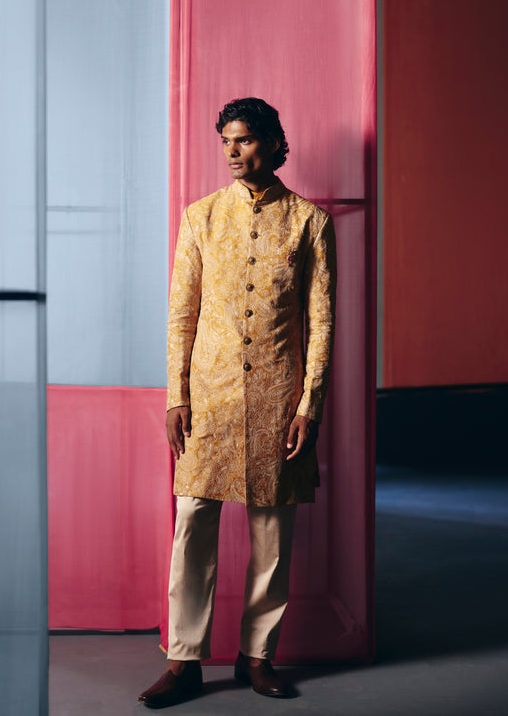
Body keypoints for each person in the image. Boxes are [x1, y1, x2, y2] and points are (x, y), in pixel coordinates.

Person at [138, 97, 336, 708]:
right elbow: (181, 314)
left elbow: (321, 321)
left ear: (274, 143)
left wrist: (309, 406)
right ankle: (183, 660)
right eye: (225, 140)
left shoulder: (309, 223)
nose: (232, 151)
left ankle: (258, 656)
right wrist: (177, 395)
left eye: (244, 139)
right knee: (193, 522)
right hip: (210, 398)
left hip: (279, 399)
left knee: (272, 532)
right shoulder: (200, 217)